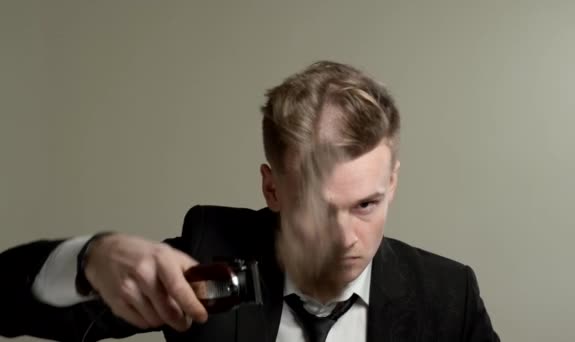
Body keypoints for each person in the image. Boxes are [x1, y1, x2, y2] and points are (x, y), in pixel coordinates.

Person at [0, 61, 500, 342]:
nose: (346, 238)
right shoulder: (207, 257)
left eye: (366, 205)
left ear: (392, 182)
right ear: (272, 190)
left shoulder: (448, 297)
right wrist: (90, 259)